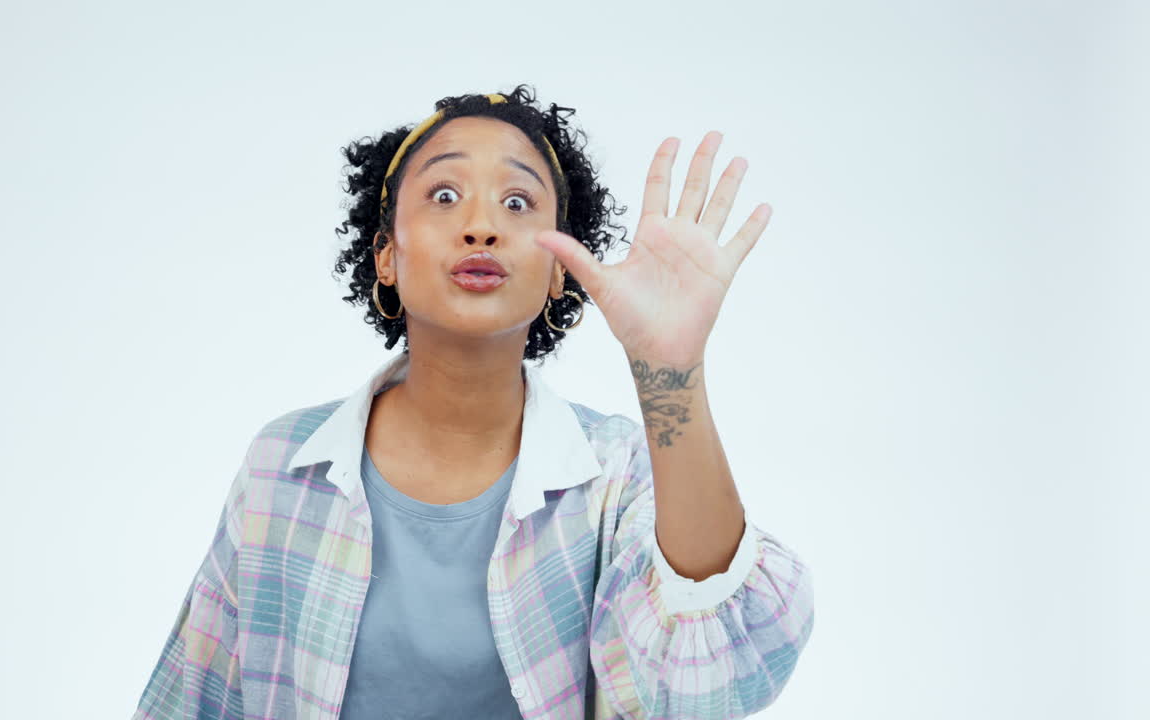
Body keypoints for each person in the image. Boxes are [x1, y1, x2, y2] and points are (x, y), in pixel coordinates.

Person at [132, 84, 814, 720]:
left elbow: (707, 679)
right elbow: (195, 697)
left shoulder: (614, 476)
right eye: (445, 195)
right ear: (387, 256)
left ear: (558, 270)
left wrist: (670, 370)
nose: (482, 224)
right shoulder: (280, 465)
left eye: (517, 202)